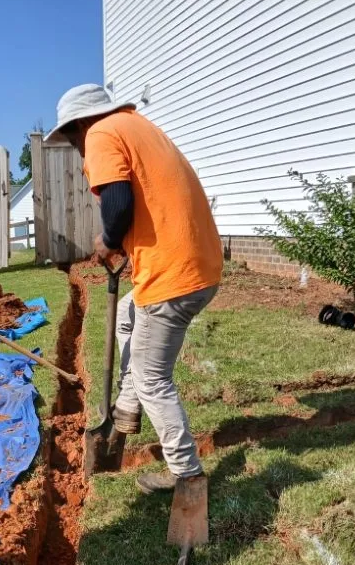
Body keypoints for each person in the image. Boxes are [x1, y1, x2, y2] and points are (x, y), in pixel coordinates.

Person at [46, 84, 223, 494]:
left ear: (80, 124)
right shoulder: (136, 126)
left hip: (172, 276)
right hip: (198, 266)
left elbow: (120, 202)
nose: (76, 146)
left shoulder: (101, 133)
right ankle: (125, 411)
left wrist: (108, 240)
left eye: (71, 137)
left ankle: (187, 475)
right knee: (128, 315)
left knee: (152, 377)